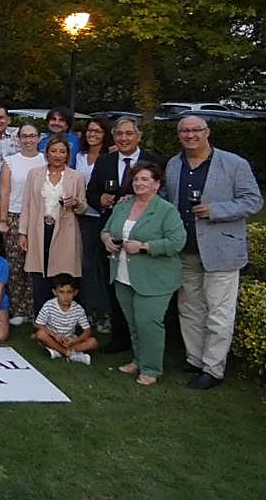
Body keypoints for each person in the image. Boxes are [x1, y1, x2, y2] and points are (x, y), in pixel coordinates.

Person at [165, 116, 263, 390]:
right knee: (189, 308)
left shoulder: (234, 164)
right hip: (186, 250)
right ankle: (195, 358)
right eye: (184, 131)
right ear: (179, 135)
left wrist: (215, 210)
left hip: (221, 250)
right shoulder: (174, 164)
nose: (190, 135)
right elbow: (167, 198)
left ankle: (213, 368)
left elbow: (253, 201)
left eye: (196, 130)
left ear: (207, 132)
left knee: (219, 312)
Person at [101, 162, 186, 386]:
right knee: (133, 322)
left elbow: (177, 241)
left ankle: (151, 369)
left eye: (145, 179)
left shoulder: (166, 210)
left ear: (157, 184)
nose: (139, 183)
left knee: (148, 323)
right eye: (136, 179)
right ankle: (138, 360)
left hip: (154, 278)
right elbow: (106, 230)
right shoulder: (123, 205)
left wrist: (145, 246)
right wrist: (107, 240)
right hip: (123, 274)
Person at [84, 116, 161, 354]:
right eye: (119, 134)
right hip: (112, 234)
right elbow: (90, 192)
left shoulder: (154, 161)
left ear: (139, 136)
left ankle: (144, 338)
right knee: (115, 285)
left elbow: (163, 195)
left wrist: (139, 200)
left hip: (144, 235)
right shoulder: (105, 161)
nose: (124, 138)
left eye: (129, 134)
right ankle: (120, 338)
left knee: (141, 286)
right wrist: (100, 199)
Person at [19, 136, 87, 315]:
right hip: (39, 230)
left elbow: (83, 207)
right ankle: (41, 320)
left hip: (65, 232)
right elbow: (26, 205)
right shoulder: (35, 174)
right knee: (39, 277)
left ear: (67, 155)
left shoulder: (76, 177)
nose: (57, 155)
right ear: (47, 153)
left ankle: (66, 320)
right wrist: (22, 233)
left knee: (63, 277)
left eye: (62, 152)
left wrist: (76, 202)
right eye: (54, 151)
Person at [0, 124, 44, 325]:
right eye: (24, 136)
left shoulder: (46, 160)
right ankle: (18, 309)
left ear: (39, 138)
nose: (28, 140)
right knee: (16, 265)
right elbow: (4, 192)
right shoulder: (10, 162)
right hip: (14, 215)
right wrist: (3, 220)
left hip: (39, 217)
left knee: (35, 265)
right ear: (18, 139)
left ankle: (35, 309)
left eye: (32, 136)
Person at [75, 117, 115, 330]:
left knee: (102, 267)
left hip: (104, 217)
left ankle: (106, 312)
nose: (93, 134)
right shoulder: (79, 156)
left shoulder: (111, 157)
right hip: (81, 217)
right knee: (85, 266)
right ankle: (88, 311)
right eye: (90, 130)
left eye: (98, 131)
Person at [33, 273, 98, 364]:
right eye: (61, 292)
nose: (65, 296)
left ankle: (59, 351)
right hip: (53, 338)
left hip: (70, 340)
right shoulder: (49, 305)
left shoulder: (78, 309)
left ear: (75, 292)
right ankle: (68, 353)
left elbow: (87, 331)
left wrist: (75, 340)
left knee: (93, 342)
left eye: (69, 292)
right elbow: (38, 324)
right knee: (40, 334)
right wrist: (55, 335)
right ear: (55, 292)